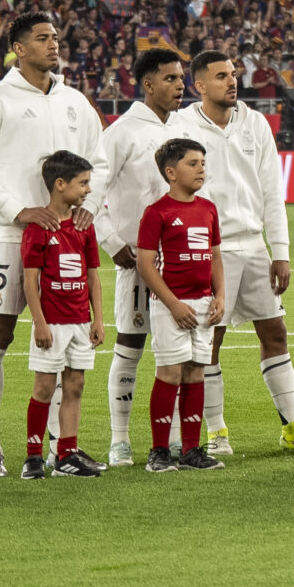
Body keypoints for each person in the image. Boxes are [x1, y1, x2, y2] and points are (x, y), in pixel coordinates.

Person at [0, 13, 106, 478]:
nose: (52, 44)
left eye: (56, 37)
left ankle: (62, 451)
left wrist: (89, 208)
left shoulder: (76, 103)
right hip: (8, 236)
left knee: (64, 339)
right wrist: (17, 209)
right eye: (41, 38)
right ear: (18, 48)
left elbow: (96, 164)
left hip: (67, 241)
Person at [174, 49, 294, 457]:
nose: (232, 81)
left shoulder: (255, 122)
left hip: (254, 245)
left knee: (274, 332)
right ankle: (217, 432)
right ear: (200, 85)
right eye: (221, 76)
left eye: (233, 74)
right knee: (210, 340)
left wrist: (282, 250)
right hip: (208, 250)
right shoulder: (182, 125)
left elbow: (273, 190)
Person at [96, 46, 185, 465]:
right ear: (148, 85)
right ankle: (119, 439)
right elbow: (90, 194)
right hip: (137, 261)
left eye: (181, 77)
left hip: (180, 262)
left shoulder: (182, 131)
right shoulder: (122, 132)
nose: (179, 85)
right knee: (130, 345)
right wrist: (113, 243)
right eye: (170, 78)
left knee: (179, 351)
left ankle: (174, 439)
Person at [135, 138, 225, 471]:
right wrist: (173, 305)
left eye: (203, 162)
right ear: (171, 173)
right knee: (170, 372)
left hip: (203, 304)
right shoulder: (157, 212)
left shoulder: (208, 208)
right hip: (169, 306)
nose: (201, 168)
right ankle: (159, 450)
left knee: (196, 372)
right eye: (192, 163)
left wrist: (220, 295)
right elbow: (145, 264)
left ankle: (190, 450)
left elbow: (215, 255)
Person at [20, 151, 104, 478]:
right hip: (52, 322)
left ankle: (67, 455)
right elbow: (30, 280)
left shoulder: (84, 227)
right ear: (60, 184)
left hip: (80, 321)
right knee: (44, 386)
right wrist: (39, 323)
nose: (88, 190)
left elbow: (93, 274)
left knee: (76, 384)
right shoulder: (38, 229)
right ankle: (32, 457)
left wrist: (98, 318)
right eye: (82, 183)